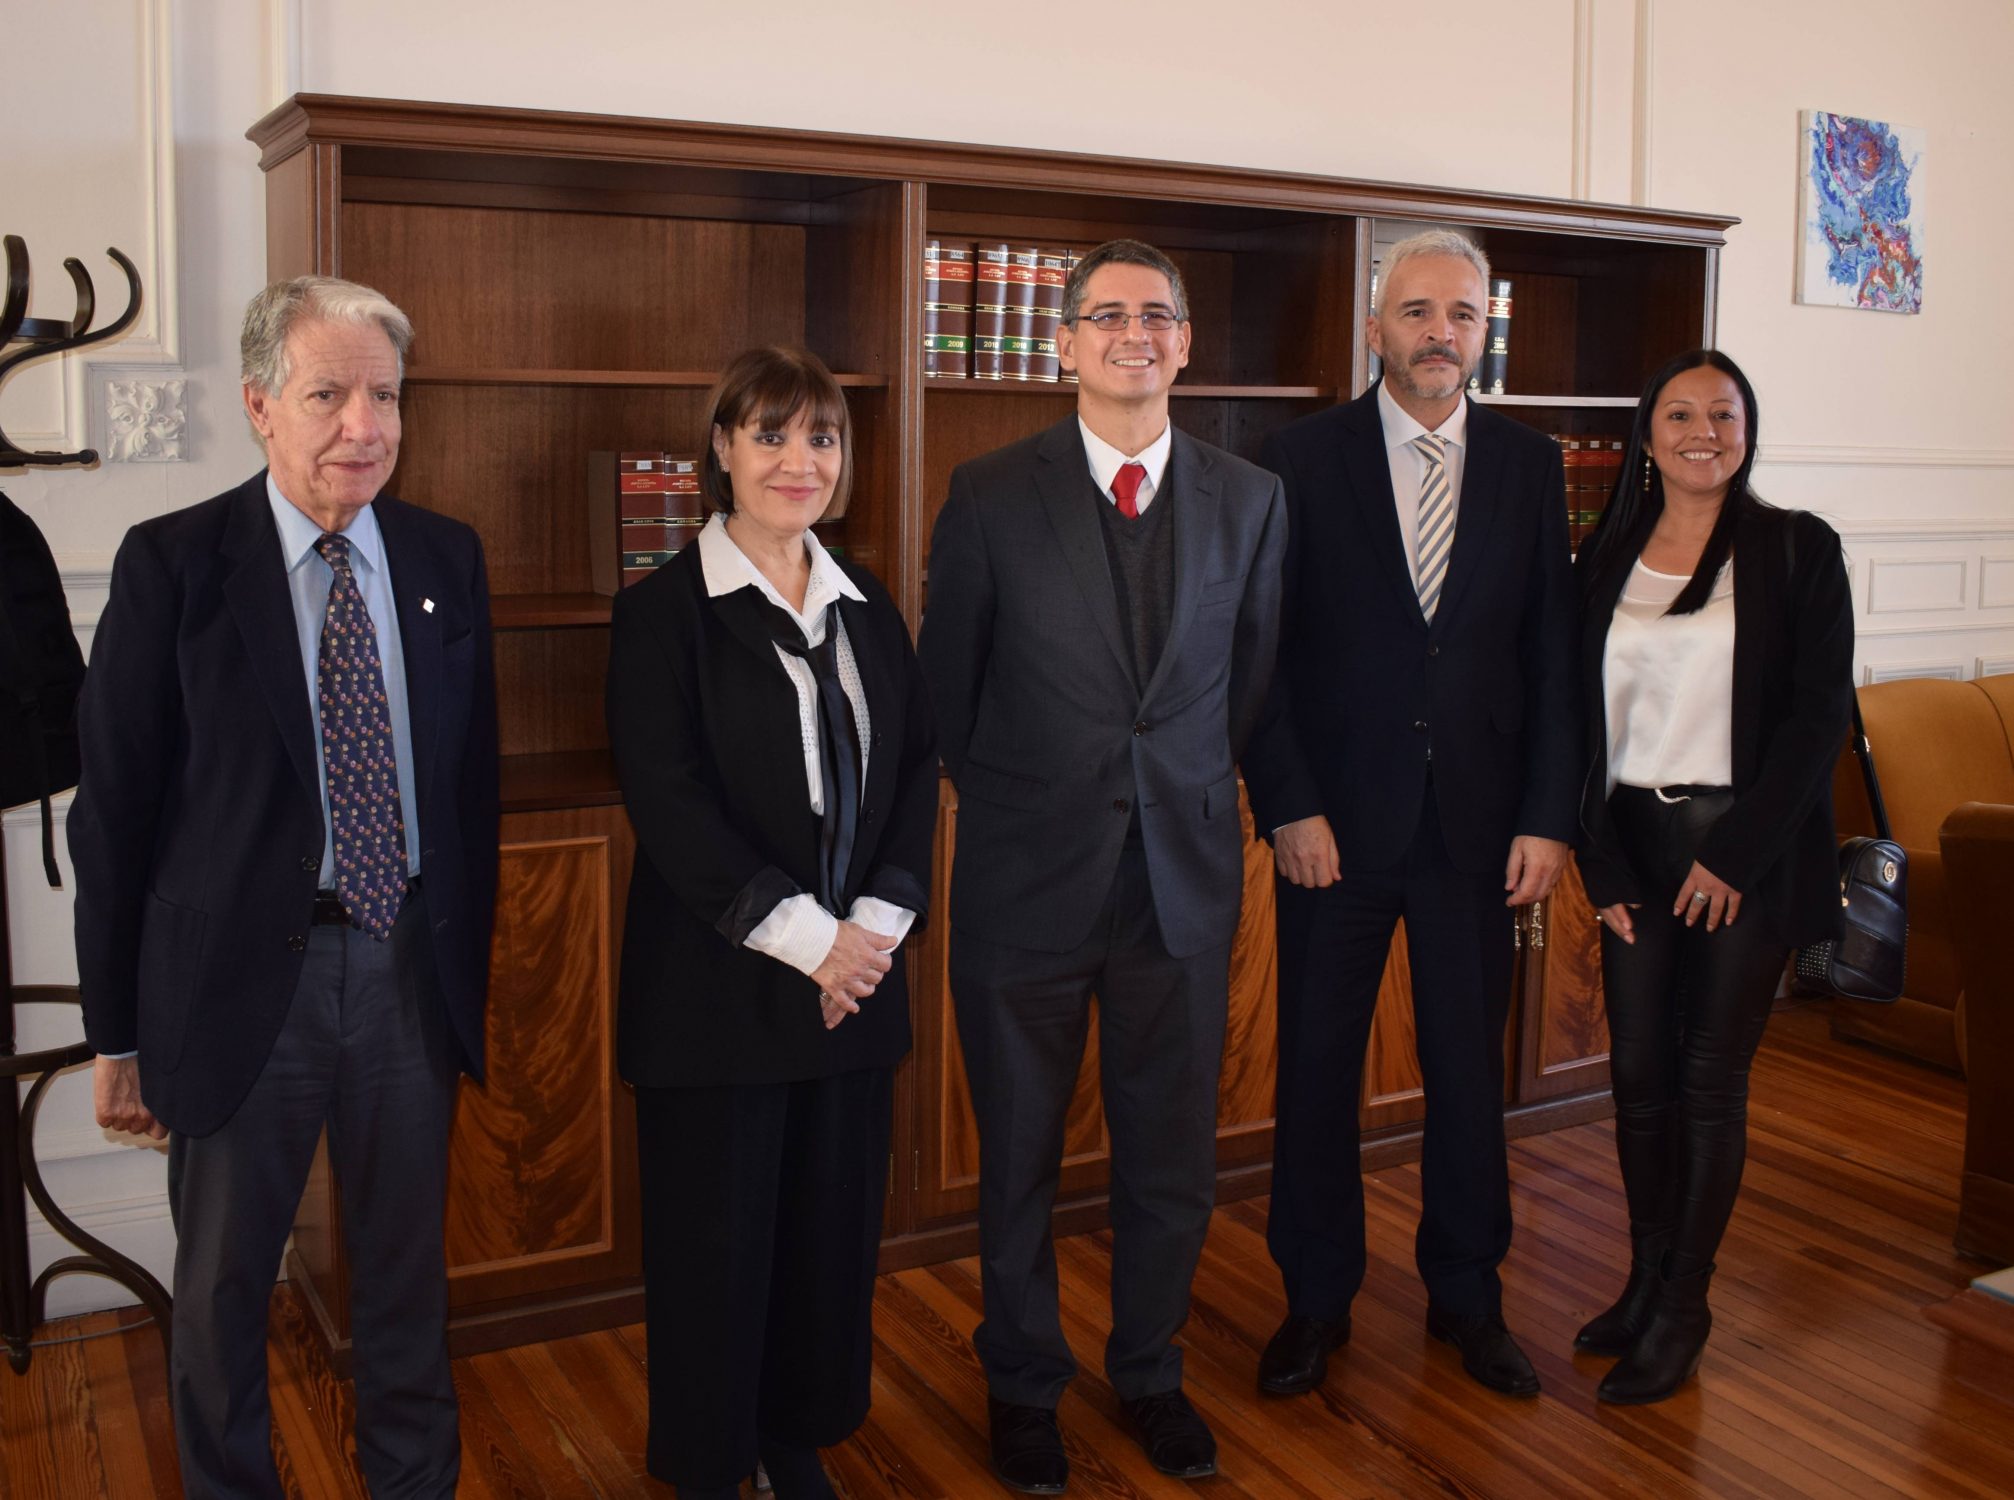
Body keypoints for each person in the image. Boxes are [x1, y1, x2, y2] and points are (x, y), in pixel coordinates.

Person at [69, 275, 499, 1497]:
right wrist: (120, 1029)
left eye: (384, 397)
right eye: (328, 394)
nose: (361, 426)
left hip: (405, 969)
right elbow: (117, 816)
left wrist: (460, 969)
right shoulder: (172, 567)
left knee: (408, 1285)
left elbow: (468, 792)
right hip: (236, 984)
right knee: (219, 1294)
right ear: (259, 405)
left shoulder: (442, 558)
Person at [918, 238, 1286, 1494]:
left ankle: (1149, 1372)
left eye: (1157, 315)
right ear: (1064, 343)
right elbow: (947, 697)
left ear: (1185, 344)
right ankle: (1022, 1383)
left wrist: (1165, 787)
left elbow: (1250, 687)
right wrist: (1039, 796)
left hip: (1179, 880)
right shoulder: (986, 489)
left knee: (1170, 1156)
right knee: (1014, 1153)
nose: (1134, 332)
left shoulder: (1250, 499)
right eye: (1106, 315)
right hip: (1027, 878)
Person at [1241, 229, 1578, 1401]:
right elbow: (1263, 657)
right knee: (1317, 1076)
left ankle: (1467, 1301)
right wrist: (1287, 803)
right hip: (1330, 835)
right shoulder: (1296, 456)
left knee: (1468, 1080)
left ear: (1485, 330)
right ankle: (1314, 1303)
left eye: (1464, 315)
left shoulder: (1532, 466)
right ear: (1375, 326)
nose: (1442, 333)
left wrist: (1548, 817)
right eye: (1419, 311)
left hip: (1482, 838)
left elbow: (1552, 656)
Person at [606, 345, 937, 1499]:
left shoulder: (868, 606)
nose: (800, 462)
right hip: (718, 995)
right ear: (721, 453)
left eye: (823, 439)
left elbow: (911, 774)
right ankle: (706, 1462)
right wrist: (817, 943)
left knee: (824, 1244)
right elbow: (672, 806)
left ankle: (794, 1434)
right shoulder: (662, 615)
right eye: (772, 436)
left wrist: (875, 934)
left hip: (849, 995)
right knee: (715, 1250)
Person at [1570, 349, 1853, 1403]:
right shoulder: (1607, 551)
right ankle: (1642, 1282)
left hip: (1745, 846)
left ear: (1747, 429)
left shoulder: (1793, 548)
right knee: (1636, 1077)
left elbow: (1819, 714)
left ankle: (1685, 1304)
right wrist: (1593, 854)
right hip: (1630, 848)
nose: (1702, 430)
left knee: (1704, 1081)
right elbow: (1572, 713)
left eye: (1722, 414)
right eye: (1679, 414)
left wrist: (1734, 856)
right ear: (1646, 435)